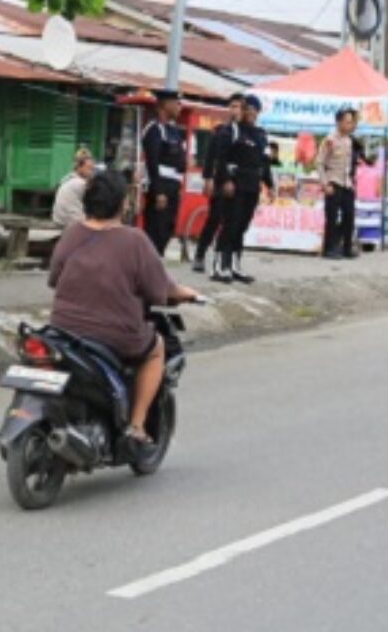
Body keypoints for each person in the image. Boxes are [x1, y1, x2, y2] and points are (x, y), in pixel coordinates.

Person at [48, 171, 199, 448]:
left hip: (62, 330)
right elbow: (159, 291)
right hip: (114, 334)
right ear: (122, 204)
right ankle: (137, 426)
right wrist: (183, 294)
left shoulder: (72, 234)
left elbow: (53, 279)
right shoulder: (135, 241)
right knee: (156, 349)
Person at [212, 94, 274, 284]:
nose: (249, 113)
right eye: (246, 109)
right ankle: (220, 265)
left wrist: (269, 184)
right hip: (236, 183)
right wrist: (226, 180)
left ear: (258, 112)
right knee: (231, 223)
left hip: (252, 185)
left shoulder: (261, 135)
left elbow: (265, 163)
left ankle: (235, 265)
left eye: (253, 110)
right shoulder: (231, 131)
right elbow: (221, 159)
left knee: (242, 226)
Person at [191, 92, 244, 274]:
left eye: (239, 106)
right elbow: (210, 157)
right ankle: (200, 254)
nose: (236, 110)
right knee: (214, 219)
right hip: (221, 182)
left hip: (240, 184)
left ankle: (225, 259)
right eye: (233, 106)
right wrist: (208, 179)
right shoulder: (221, 131)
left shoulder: (247, 133)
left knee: (234, 222)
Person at [141, 89, 186, 257]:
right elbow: (152, 163)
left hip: (173, 185)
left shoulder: (173, 130)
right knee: (156, 228)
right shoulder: (153, 130)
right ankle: (147, 264)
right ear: (164, 105)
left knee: (169, 227)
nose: (179, 107)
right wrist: (158, 191)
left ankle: (156, 261)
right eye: (176, 103)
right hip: (160, 185)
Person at [316, 108, 359, 261]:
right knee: (332, 217)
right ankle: (329, 249)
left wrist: (352, 182)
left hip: (346, 183)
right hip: (333, 182)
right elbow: (320, 163)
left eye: (351, 122)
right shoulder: (329, 139)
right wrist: (325, 183)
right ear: (339, 122)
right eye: (347, 122)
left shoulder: (349, 140)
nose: (350, 124)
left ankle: (346, 247)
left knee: (350, 215)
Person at [52, 147, 95, 231]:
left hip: (58, 219)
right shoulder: (81, 183)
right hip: (72, 221)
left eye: (92, 169)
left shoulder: (66, 179)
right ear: (79, 167)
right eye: (88, 168)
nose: (91, 172)